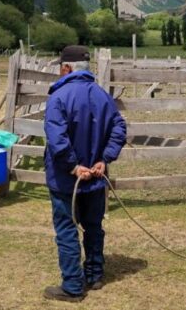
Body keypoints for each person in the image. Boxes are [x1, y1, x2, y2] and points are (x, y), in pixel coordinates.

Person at [43, 45, 127, 303]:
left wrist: (72, 166)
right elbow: (119, 127)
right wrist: (104, 159)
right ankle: (94, 274)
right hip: (95, 178)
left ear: (66, 68)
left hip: (67, 180)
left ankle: (72, 285)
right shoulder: (102, 96)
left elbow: (57, 138)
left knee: (67, 229)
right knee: (93, 226)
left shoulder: (58, 97)